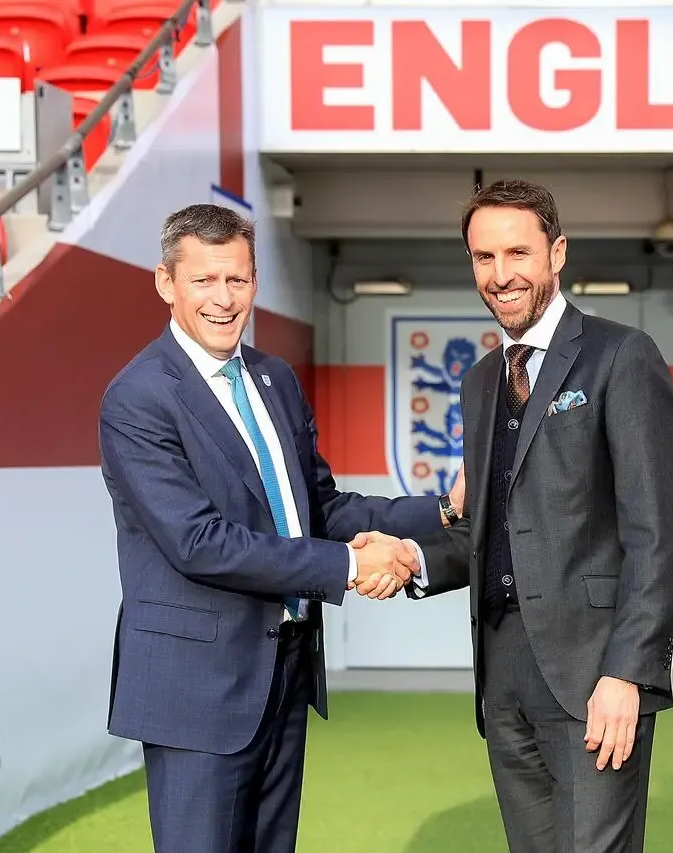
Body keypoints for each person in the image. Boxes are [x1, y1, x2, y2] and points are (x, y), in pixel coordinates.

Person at [97, 203, 460, 852]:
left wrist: (441, 509)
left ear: (254, 281)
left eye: (237, 279)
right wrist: (349, 567)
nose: (222, 298)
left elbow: (318, 507)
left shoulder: (273, 379)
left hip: (281, 671)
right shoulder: (139, 396)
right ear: (165, 283)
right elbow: (198, 542)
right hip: (196, 689)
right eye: (204, 280)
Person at [355, 179, 673, 852]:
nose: (500, 275)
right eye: (483, 257)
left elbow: (657, 533)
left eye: (516, 253)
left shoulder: (620, 356)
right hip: (502, 671)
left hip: (593, 669)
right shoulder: (481, 380)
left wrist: (627, 672)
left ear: (555, 253)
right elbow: (492, 527)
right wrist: (414, 558)